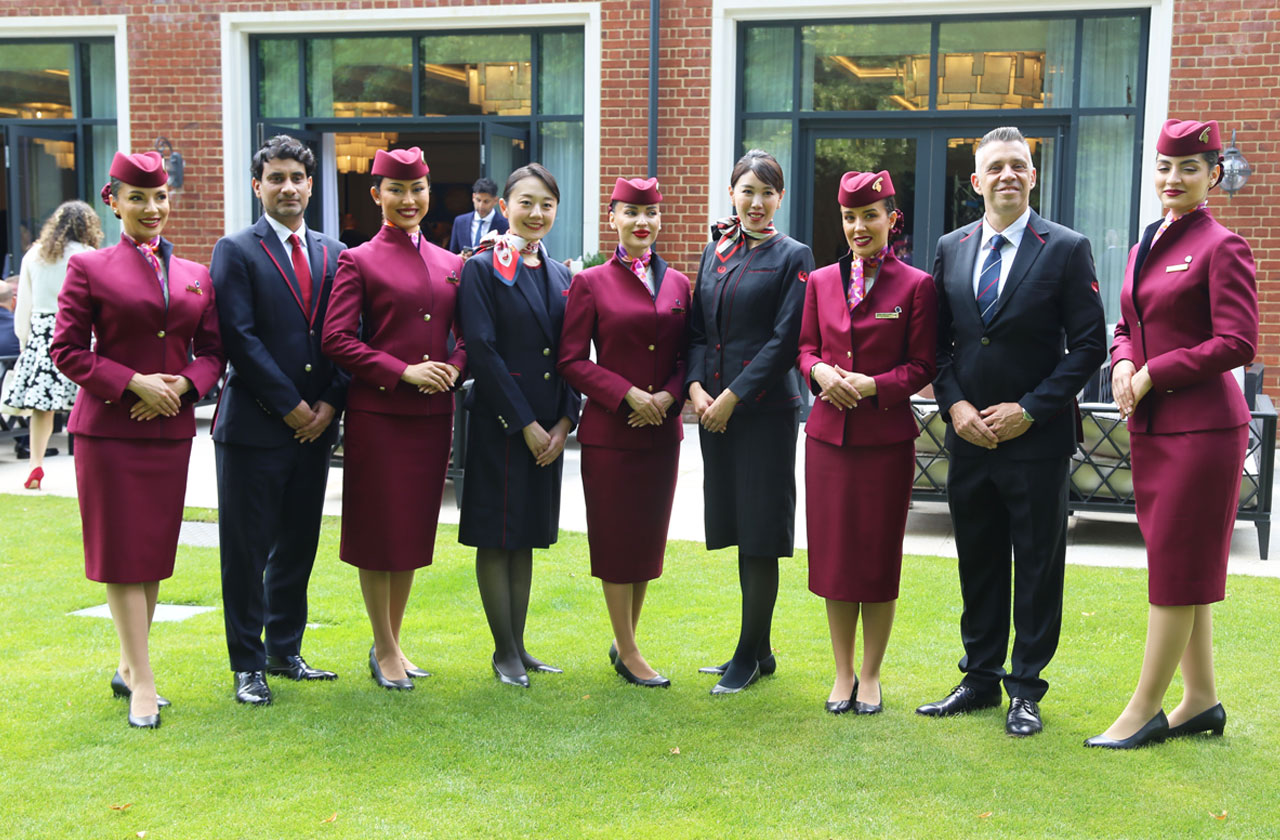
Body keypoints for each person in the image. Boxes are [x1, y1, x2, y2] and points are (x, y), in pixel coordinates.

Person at [919, 126, 1107, 736]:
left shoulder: (1067, 248)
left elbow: (1087, 347)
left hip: (1036, 441)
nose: (1007, 175)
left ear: (1033, 176)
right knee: (977, 559)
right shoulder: (950, 247)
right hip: (970, 439)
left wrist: (1030, 407)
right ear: (975, 181)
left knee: (1036, 564)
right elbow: (938, 347)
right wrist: (955, 408)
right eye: (994, 167)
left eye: (1017, 166)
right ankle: (978, 677)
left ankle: (1025, 688)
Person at [1086, 119, 1257, 749]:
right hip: (1157, 426)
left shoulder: (1222, 245)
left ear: (1212, 174)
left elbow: (1237, 342)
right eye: (1163, 166)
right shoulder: (1145, 243)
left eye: (1188, 167)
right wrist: (1125, 358)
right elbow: (1127, 320)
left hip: (1204, 429)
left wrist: (1156, 369)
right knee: (1178, 564)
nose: (1172, 178)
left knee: (1176, 572)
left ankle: (1145, 711)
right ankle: (1202, 700)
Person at [50, 150, 224, 728]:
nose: (152, 208)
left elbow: (215, 354)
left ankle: (130, 668)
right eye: (139, 198)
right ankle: (144, 682)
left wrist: (184, 383)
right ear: (114, 200)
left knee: (151, 557)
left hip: (170, 432)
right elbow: (67, 351)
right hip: (109, 433)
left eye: (160, 197)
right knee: (123, 557)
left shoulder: (197, 275)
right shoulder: (89, 268)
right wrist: (131, 384)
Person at [210, 135, 347, 706]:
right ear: (257, 185)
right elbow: (237, 338)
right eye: (276, 178)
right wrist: (291, 405)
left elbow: (349, 338)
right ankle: (247, 663)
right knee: (246, 549)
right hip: (255, 428)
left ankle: (284, 649)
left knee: (298, 542)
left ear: (311, 185)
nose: (287, 187)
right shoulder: (236, 250)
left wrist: (330, 406)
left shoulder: (338, 254)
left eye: (297, 177)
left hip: (317, 428)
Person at [322, 147, 466, 691]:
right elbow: (336, 339)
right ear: (376, 194)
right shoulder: (357, 259)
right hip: (380, 415)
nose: (409, 200)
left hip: (432, 417)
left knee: (409, 532)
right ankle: (383, 647)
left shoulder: (453, 264)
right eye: (397, 190)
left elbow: (469, 338)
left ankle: (394, 641)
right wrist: (402, 372)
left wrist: (452, 367)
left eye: (419, 189)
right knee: (377, 532)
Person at [797, 171, 937, 715]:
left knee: (877, 557)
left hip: (885, 441)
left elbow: (924, 365)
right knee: (834, 558)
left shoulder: (916, 286)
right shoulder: (820, 282)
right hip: (828, 440)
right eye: (851, 217)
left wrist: (876, 385)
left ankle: (872, 674)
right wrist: (820, 374)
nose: (859, 227)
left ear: (890, 219)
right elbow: (805, 349)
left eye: (870, 216)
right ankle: (842, 672)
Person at [687, 149, 814, 695]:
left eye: (767, 193)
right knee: (738, 527)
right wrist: (695, 390)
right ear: (732, 194)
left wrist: (734, 395)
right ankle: (760, 650)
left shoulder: (794, 256)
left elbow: (786, 339)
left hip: (762, 413)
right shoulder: (714, 252)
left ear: (780, 198)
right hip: (714, 412)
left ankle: (746, 653)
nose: (756, 203)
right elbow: (696, 330)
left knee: (761, 532)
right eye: (747, 192)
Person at [558, 177, 690, 689]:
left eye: (651, 213)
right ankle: (631, 650)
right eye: (631, 212)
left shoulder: (679, 283)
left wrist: (668, 397)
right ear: (611, 217)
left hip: (662, 435)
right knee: (616, 541)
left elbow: (687, 356)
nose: (643, 222)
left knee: (646, 542)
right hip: (611, 435)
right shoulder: (590, 282)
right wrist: (626, 394)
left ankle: (625, 640)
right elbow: (570, 359)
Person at [458, 162, 579, 688]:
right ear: (504, 208)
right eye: (526, 202)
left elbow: (574, 352)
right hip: (502, 424)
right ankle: (503, 651)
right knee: (497, 536)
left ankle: (520, 644)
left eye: (546, 204)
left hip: (550, 427)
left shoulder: (559, 273)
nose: (536, 213)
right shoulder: (483, 268)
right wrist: (526, 423)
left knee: (526, 536)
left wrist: (566, 419)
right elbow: (481, 349)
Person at [2, 201, 101, 490]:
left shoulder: (34, 255)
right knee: (89, 401)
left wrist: (24, 342)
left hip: (44, 334)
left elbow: (24, 306)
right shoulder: (90, 256)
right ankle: (92, 468)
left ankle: (35, 465)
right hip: (80, 331)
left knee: (41, 408)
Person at [449, 177, 509, 256]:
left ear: (495, 201)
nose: (481, 206)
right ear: (473, 197)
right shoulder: (460, 222)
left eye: (486, 201)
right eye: (478, 200)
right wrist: (460, 257)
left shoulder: (505, 224)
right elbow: (452, 254)